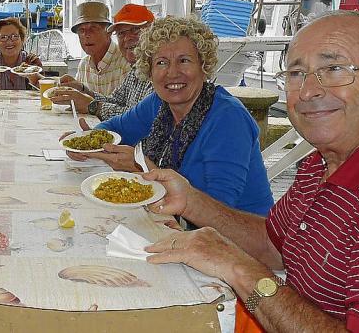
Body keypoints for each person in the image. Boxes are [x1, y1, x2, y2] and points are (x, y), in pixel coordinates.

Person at [142, 10, 359, 332]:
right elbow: (275, 245)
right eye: (296, 73)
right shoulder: (317, 165)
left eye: (334, 69)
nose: (308, 91)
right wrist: (190, 201)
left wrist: (240, 269)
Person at [69, 15, 273, 216]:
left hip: (237, 233)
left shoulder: (228, 119)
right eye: (161, 63)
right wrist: (85, 143)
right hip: (177, 220)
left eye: (184, 60)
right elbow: (116, 129)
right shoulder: (159, 103)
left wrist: (141, 167)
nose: (172, 73)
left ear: (203, 66)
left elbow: (217, 211)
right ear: (149, 71)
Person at [50, 3, 154, 119]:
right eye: (121, 33)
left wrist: (92, 106)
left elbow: (140, 118)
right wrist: (83, 90)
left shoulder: (157, 72)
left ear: (153, 32)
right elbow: (115, 100)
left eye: (135, 30)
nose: (127, 38)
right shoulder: (136, 69)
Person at [60, 1, 131, 95]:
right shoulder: (84, 65)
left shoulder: (126, 62)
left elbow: (128, 105)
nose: (86, 35)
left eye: (93, 28)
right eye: (81, 30)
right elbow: (78, 100)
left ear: (109, 32)